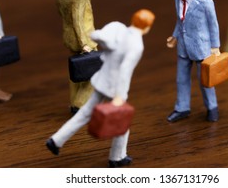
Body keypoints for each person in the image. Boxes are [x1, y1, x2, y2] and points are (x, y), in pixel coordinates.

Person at [46, 9, 155, 168]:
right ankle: (117, 157)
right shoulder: (137, 45)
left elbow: (97, 35)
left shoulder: (118, 28)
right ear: (147, 28)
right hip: (115, 88)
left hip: (102, 80)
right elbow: (125, 70)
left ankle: (56, 141)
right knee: (122, 123)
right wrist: (119, 95)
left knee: (83, 114)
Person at [166, 0, 221, 123]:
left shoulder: (205, 2)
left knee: (205, 80)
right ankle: (182, 108)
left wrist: (215, 46)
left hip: (202, 48)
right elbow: (180, 20)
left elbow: (213, 25)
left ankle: (212, 107)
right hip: (183, 46)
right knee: (181, 79)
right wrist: (175, 36)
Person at [55, 0, 97, 114]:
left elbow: (60, 9)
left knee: (76, 72)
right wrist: (84, 43)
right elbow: (77, 20)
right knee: (94, 73)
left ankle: (73, 101)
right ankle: (79, 106)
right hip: (83, 37)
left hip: (68, 35)